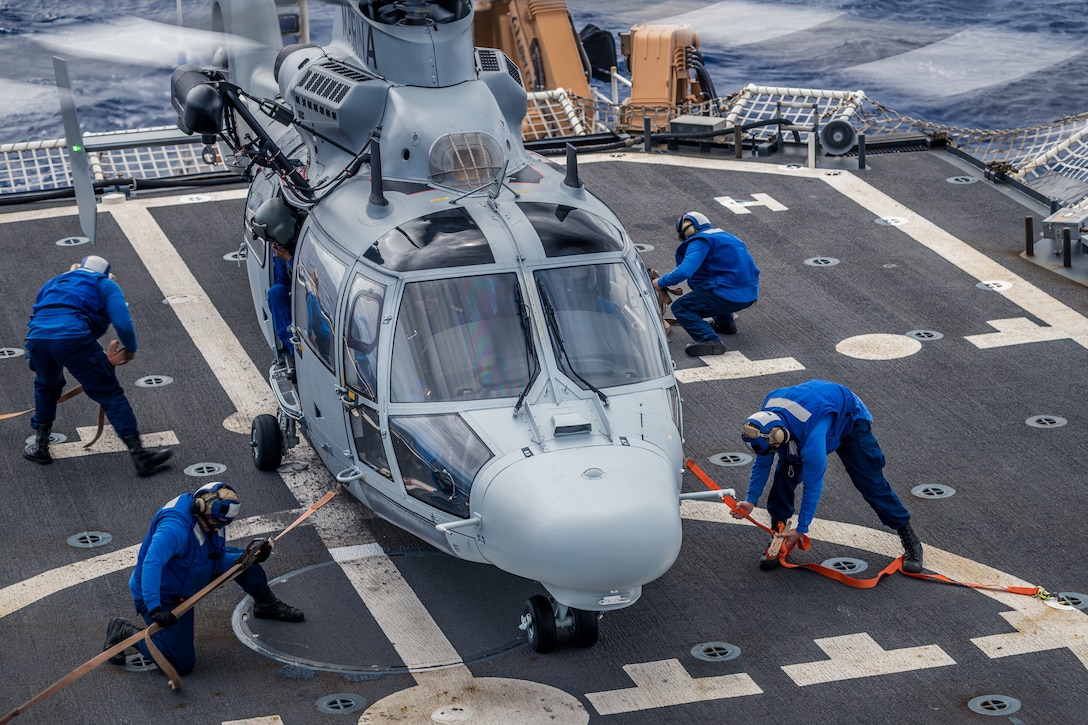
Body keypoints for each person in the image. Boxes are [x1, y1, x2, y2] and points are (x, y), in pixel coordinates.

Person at [102, 482, 304, 675]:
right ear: (200, 510)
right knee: (180, 663)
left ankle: (265, 603)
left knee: (248, 562)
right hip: (167, 593)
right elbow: (151, 564)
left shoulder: (209, 514)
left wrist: (257, 553)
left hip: (199, 566)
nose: (218, 529)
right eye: (215, 524)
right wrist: (154, 607)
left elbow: (213, 549)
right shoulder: (173, 529)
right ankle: (124, 632)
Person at [732, 379, 924, 573]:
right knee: (783, 479)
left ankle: (910, 539)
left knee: (871, 483)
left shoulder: (811, 441)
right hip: (812, 410)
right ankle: (779, 535)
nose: (775, 451)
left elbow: (813, 484)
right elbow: (763, 461)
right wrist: (751, 500)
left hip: (848, 418)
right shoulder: (767, 425)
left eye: (775, 448)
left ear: (781, 436)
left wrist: (802, 528)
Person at [22, 255, 173, 476]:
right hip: (73, 338)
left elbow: (41, 316)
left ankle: (40, 446)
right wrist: (130, 348)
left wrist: (37, 358)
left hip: (37, 339)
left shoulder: (54, 282)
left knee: (46, 385)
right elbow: (122, 322)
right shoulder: (106, 284)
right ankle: (140, 456)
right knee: (110, 394)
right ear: (105, 272)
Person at [653, 211, 759, 357]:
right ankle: (725, 323)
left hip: (729, 294)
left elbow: (684, 271)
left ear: (687, 227)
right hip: (750, 293)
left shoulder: (700, 241)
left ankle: (710, 340)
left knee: (682, 307)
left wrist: (660, 282)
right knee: (710, 287)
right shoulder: (724, 236)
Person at [250, 195, 302, 359]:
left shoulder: (305, 243)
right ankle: (294, 349)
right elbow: (282, 282)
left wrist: (289, 259)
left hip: (312, 297)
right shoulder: (282, 248)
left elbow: (311, 282)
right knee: (275, 292)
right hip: (295, 295)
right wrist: (283, 259)